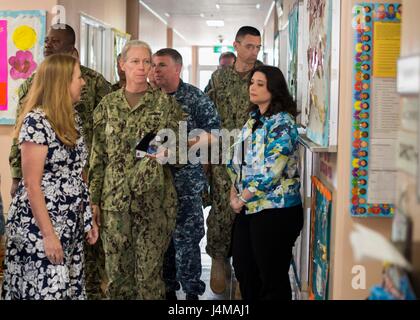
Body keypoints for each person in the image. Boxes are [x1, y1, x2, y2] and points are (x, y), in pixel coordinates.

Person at [8, 23, 111, 299]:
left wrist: (87, 219)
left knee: (69, 289)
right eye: (78, 77)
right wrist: (49, 235)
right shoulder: (37, 122)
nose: (84, 82)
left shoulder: (71, 118)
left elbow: (76, 174)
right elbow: (31, 184)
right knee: (46, 290)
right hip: (42, 224)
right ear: (62, 82)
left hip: (69, 222)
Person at [88, 40, 186, 300]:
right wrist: (94, 201)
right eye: (135, 61)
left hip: (153, 204)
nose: (142, 68)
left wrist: (167, 153)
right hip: (114, 205)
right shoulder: (107, 106)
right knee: (118, 277)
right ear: (122, 65)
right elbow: (97, 159)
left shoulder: (166, 106)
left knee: (149, 278)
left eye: (147, 62)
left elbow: (182, 156)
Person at [227, 65, 303, 300]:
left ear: (274, 89)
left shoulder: (282, 123)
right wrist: (234, 193)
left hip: (275, 210)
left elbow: (271, 171)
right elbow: (237, 160)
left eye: (260, 84)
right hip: (248, 207)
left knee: (271, 277)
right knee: (243, 268)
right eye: (252, 82)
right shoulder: (254, 119)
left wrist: (241, 198)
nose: (253, 87)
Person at [152, 48, 220, 300]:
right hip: (155, 183)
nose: (155, 70)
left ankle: (192, 292)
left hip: (186, 183)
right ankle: (167, 288)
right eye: (153, 65)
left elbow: (214, 134)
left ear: (177, 69)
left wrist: (182, 144)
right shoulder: (148, 98)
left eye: (161, 65)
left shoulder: (194, 98)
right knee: (161, 239)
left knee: (187, 240)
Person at [204, 26, 263, 294]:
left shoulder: (264, 76)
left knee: (251, 210)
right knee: (221, 209)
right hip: (222, 157)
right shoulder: (219, 78)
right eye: (249, 46)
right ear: (236, 45)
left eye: (258, 47)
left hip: (254, 156)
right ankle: (219, 259)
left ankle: (244, 272)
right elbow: (205, 111)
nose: (254, 51)